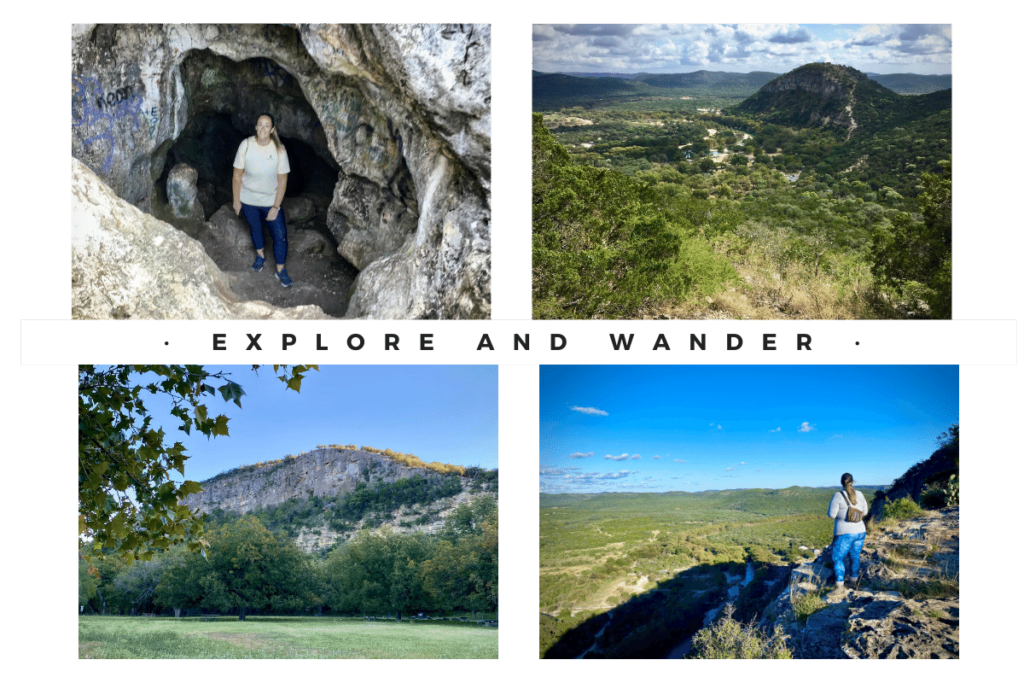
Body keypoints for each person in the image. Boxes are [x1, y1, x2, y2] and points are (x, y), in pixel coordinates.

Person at [232, 113, 293, 287]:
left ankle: (280, 270)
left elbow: (282, 180)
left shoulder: (279, 150)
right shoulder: (246, 145)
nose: (263, 128)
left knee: (280, 236)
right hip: (248, 199)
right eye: (260, 124)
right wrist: (237, 201)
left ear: (272, 129)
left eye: (267, 125)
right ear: (256, 127)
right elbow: (237, 175)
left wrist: (276, 206)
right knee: (255, 228)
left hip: (269, 202)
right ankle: (260, 256)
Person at [826, 472, 867, 600]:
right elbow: (865, 511)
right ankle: (854, 582)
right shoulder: (859, 494)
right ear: (853, 482)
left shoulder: (838, 495)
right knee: (855, 556)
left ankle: (839, 587)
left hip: (844, 533)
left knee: (837, 558)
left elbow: (832, 515)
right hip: (860, 531)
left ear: (841, 482)